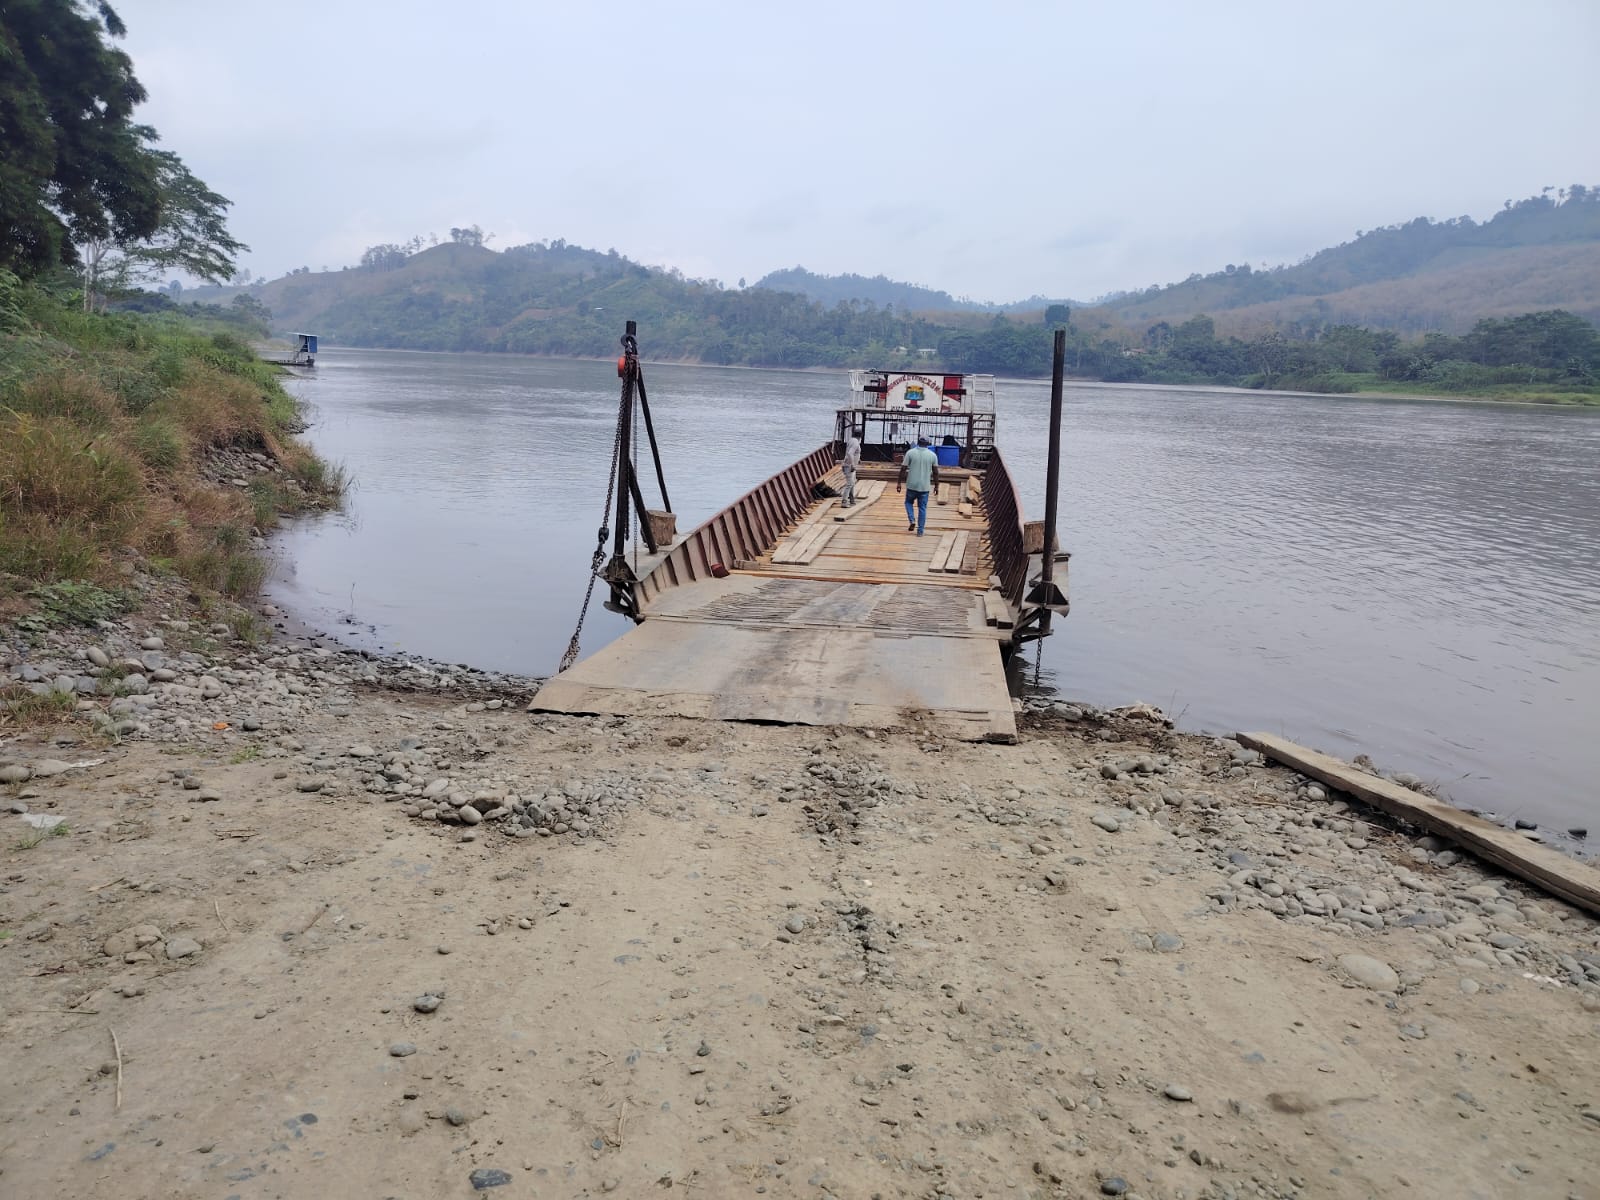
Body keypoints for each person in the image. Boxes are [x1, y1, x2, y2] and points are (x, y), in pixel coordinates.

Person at [896, 436, 940, 536]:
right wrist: (936, 486)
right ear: (928, 443)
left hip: (911, 485)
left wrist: (899, 483)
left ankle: (912, 520)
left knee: (908, 502)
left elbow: (903, 469)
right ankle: (920, 531)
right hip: (924, 487)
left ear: (918, 442)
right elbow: (936, 472)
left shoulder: (910, 453)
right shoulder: (933, 455)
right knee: (922, 508)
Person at [841, 429, 862, 507]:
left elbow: (853, 453)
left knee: (852, 483)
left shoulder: (851, 440)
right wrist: (853, 464)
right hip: (849, 466)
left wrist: (858, 459)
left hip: (848, 464)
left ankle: (852, 500)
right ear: (860, 436)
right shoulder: (856, 442)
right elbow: (850, 453)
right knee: (850, 484)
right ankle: (844, 502)